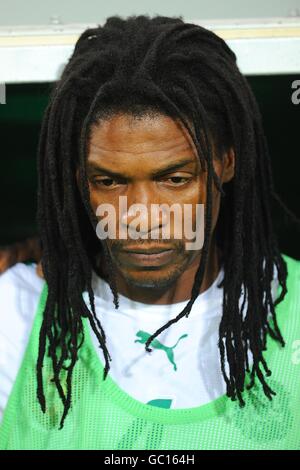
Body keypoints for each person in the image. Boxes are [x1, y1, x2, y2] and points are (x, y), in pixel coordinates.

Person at [0, 14, 299, 450]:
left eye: (174, 180)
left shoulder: (290, 309)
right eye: (109, 181)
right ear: (78, 178)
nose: (141, 216)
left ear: (227, 162)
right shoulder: (17, 316)